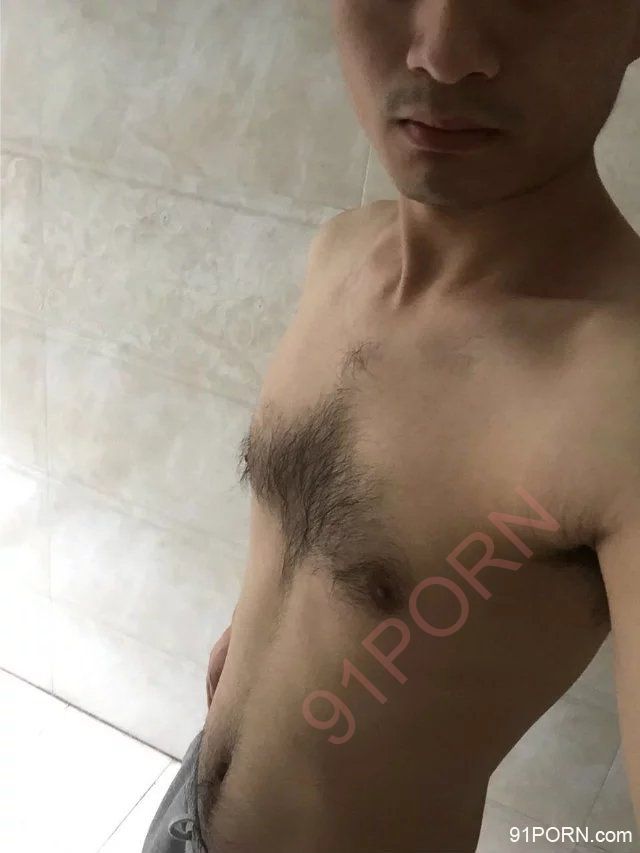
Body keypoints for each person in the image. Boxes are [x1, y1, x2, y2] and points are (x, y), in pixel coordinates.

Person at [144, 1, 640, 851]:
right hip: (187, 801)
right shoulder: (343, 249)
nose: (443, 54)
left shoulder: (619, 387)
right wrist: (255, 651)